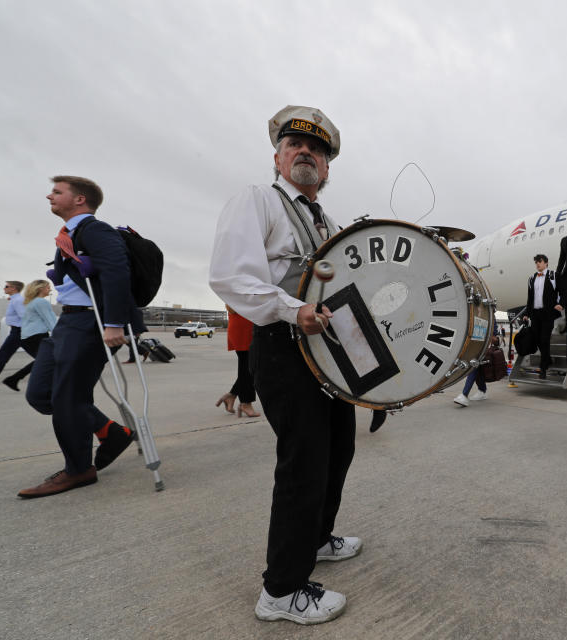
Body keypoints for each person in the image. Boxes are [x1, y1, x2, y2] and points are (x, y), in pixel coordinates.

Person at [209, 105, 359, 625]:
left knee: (339, 448)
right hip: (281, 345)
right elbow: (229, 275)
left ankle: (316, 539)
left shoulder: (331, 224)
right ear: (277, 157)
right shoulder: (258, 201)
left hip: (329, 355)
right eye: (295, 144)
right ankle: (281, 590)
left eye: (317, 149)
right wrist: (292, 309)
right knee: (304, 462)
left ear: (327, 168)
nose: (306, 153)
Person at [19, 176, 138, 499]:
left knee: (68, 399)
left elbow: (116, 271)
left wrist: (114, 323)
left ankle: (78, 469)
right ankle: (110, 432)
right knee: (40, 393)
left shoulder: (95, 230)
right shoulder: (69, 235)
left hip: (90, 323)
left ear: (80, 199)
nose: (49, 196)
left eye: (57, 192)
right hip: (66, 322)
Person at [3, 280, 58, 391]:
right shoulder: (41, 302)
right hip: (37, 336)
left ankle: (14, 379)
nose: (50, 289)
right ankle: (18, 380)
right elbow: (50, 320)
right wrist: (60, 336)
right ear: (40, 289)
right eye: (48, 287)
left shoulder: (32, 302)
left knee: (44, 359)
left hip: (29, 336)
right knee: (48, 359)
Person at [522, 255, 562, 379]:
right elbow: (530, 298)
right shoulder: (532, 278)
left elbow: (562, 290)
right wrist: (527, 314)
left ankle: (543, 368)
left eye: (539, 262)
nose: (537, 264)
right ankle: (548, 358)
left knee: (544, 339)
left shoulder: (553, 275)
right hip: (535, 313)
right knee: (536, 339)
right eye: (536, 262)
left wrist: (560, 304)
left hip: (548, 313)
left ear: (546, 263)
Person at [216, 306, 261, 417]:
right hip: (243, 329)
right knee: (249, 367)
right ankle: (245, 403)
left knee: (250, 367)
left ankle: (232, 395)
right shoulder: (234, 288)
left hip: (249, 327)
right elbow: (231, 307)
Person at [0, 281, 25, 378]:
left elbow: (24, 316)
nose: (4, 288)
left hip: (18, 332)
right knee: (39, 356)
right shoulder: (15, 299)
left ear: (13, 288)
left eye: (6, 286)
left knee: (2, 356)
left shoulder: (17, 300)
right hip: (18, 331)